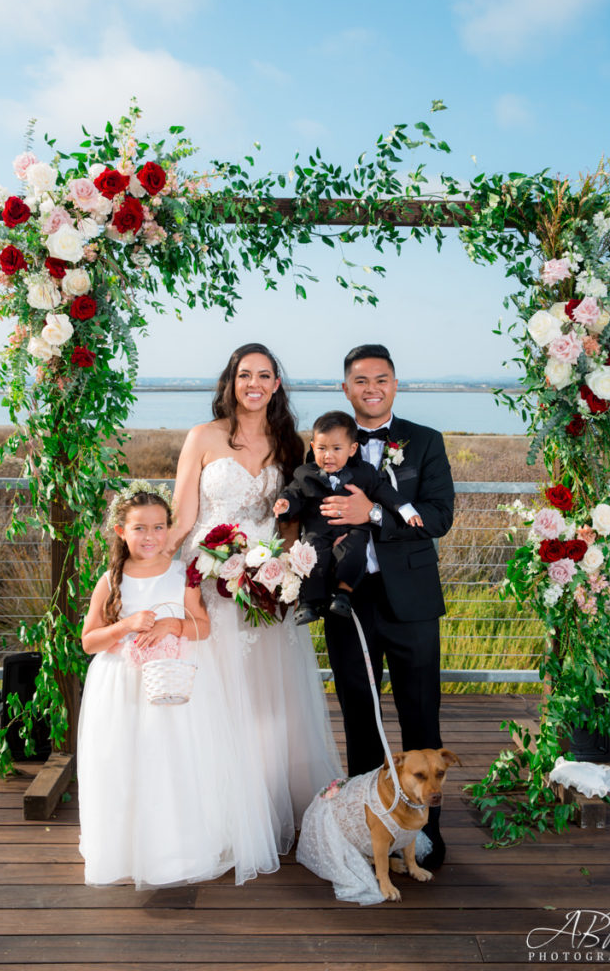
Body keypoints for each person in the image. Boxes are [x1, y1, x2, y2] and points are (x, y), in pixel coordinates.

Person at [166, 343, 342, 857]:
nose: (255, 384)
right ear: (231, 381)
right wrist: (155, 571)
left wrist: (284, 576)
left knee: (268, 705)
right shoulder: (203, 437)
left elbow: (291, 524)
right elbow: (182, 517)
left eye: (265, 375)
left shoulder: (291, 445)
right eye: (246, 375)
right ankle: (216, 817)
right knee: (214, 699)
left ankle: (267, 810)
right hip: (207, 585)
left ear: (277, 384)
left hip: (264, 589)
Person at [78, 483, 280, 888]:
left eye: (158, 527)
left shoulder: (181, 575)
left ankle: (179, 850)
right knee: (126, 762)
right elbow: (89, 641)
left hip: (176, 681)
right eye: (139, 529)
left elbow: (202, 629)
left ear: (170, 528)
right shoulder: (111, 579)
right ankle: (128, 849)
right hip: (122, 688)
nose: (150, 537)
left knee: (174, 760)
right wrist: (126, 625)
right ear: (121, 531)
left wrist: (173, 624)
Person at [321, 344, 455, 868]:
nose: (371, 388)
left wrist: (373, 513)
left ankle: (424, 836)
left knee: (422, 716)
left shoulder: (425, 442)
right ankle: (366, 830)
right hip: (350, 602)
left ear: (394, 384)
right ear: (346, 388)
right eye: (360, 380)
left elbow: (439, 516)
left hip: (413, 601)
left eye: (381, 379)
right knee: (360, 715)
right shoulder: (330, 445)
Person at [273, 410, 422, 624]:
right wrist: (285, 503)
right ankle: (309, 603)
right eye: (322, 449)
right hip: (319, 530)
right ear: (313, 447)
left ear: (352, 449)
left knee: (354, 552)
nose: (328, 456)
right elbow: (294, 492)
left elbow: (384, 492)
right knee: (310, 556)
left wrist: (405, 510)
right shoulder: (304, 473)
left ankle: (343, 594)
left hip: (352, 529)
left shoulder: (364, 472)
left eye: (336, 449)